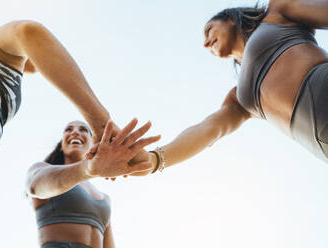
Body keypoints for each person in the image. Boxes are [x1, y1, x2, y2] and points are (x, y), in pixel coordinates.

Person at [0, 20, 154, 247]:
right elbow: (28, 32)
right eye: (69, 129)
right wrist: (102, 126)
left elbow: (38, 62)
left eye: (82, 130)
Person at [134, 0, 328, 173]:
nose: (206, 43)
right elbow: (208, 130)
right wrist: (154, 160)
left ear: (229, 19)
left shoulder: (277, 11)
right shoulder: (238, 99)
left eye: (209, 30)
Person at [26, 119, 159, 248]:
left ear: (92, 144)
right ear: (61, 146)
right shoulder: (43, 170)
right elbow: (34, 185)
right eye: (69, 129)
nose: (75, 132)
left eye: (83, 129)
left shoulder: (104, 198)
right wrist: (86, 168)